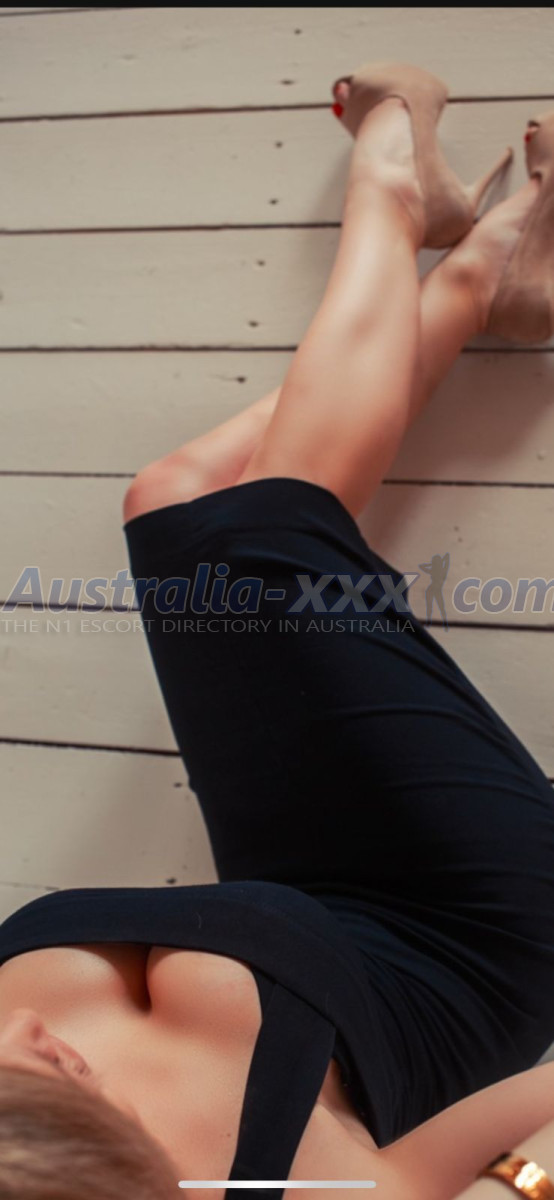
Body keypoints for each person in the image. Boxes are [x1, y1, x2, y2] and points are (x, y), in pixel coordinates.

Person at [0, 61, 553, 1200]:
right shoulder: (269, 1185)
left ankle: (474, 281)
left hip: (305, 885)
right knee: (249, 540)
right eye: (35, 1089)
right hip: (475, 926)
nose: (24, 1036)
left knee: (174, 498)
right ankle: (400, 198)